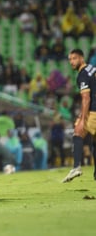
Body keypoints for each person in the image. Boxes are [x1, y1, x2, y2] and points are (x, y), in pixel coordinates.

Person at [62, 48, 96, 182]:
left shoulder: (82, 74)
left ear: (81, 58)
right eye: (70, 59)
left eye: (74, 58)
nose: (71, 62)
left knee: (77, 132)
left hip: (93, 110)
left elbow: (86, 98)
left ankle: (76, 167)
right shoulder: (93, 69)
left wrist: (82, 119)